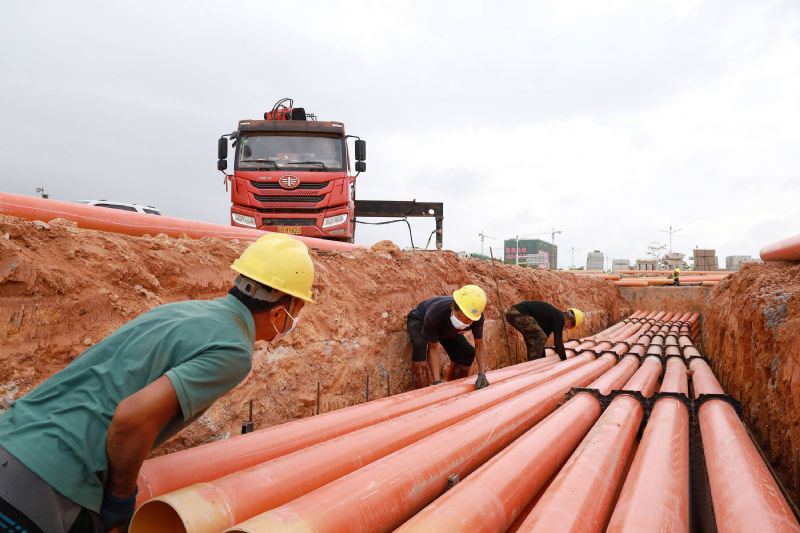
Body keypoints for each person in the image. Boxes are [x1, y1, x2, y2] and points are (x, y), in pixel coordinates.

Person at [0, 233, 314, 532]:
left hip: (13, 438)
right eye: (298, 306)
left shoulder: (185, 311)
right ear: (282, 308)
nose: (295, 316)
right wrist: (119, 500)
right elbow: (133, 417)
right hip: (44, 483)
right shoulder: (233, 349)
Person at [407, 285, 489, 391]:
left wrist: (482, 374)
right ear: (453, 307)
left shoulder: (476, 316)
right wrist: (437, 382)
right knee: (420, 344)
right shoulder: (435, 313)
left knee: (467, 353)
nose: (464, 322)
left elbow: (479, 344)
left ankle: (454, 389)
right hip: (421, 319)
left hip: (446, 328)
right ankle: (422, 391)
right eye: (460, 317)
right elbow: (433, 349)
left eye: (468, 320)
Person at [505, 302, 584, 361]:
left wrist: (543, 359)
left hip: (514, 314)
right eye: (569, 327)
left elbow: (542, 344)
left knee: (533, 339)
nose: (566, 328)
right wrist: (564, 360)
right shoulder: (560, 318)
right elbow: (558, 343)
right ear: (570, 321)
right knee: (540, 337)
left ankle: (532, 363)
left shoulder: (551, 321)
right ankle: (532, 365)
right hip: (517, 313)